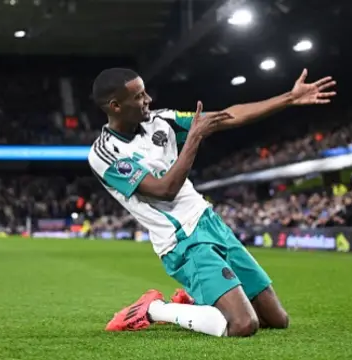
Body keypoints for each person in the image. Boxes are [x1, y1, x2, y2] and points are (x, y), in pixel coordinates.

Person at [88, 67, 336, 337]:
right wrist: (194, 137)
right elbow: (165, 190)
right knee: (243, 325)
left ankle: (202, 301)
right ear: (115, 106)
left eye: (145, 92)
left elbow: (228, 116)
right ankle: (154, 309)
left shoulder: (162, 120)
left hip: (210, 222)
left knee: (277, 319)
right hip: (181, 240)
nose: (147, 99)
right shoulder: (105, 153)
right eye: (138, 96)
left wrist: (289, 98)